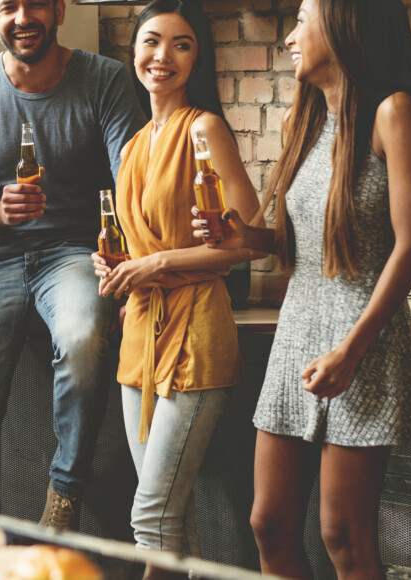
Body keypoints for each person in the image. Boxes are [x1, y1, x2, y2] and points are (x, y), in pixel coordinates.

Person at [195, 0, 411, 577]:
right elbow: (304, 245)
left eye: (303, 19)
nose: (290, 37)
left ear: (347, 22)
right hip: (297, 330)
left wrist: (352, 350)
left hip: (362, 341)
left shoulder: (394, 113)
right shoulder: (305, 119)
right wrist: (242, 236)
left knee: (343, 534)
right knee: (267, 525)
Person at [0, 0, 139, 531]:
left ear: (59, 11)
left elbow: (135, 183)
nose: (22, 17)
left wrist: (132, 274)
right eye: (8, 7)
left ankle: (65, 492)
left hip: (74, 253)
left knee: (80, 340)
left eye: (35, 5)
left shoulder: (105, 79)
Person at [90, 0, 260, 575]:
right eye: (152, 42)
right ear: (134, 52)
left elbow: (241, 242)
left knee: (151, 515)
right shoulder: (136, 144)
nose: (163, 56)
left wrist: (156, 263)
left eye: (181, 44)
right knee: (169, 515)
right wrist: (116, 266)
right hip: (138, 336)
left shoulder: (204, 128)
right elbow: (136, 247)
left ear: (198, 58)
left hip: (195, 334)